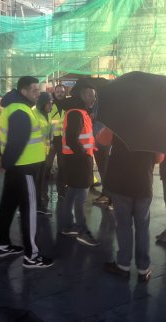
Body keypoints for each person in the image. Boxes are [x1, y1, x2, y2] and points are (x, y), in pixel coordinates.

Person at [0, 76, 53, 269]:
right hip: (24, 169)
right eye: (34, 90)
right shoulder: (21, 111)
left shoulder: (14, 108)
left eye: (39, 90)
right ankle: (31, 256)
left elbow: (2, 136)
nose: (39, 94)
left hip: (16, 168)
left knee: (7, 205)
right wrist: (5, 163)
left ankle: (3, 245)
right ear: (23, 92)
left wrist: (3, 159)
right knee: (29, 210)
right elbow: (16, 143)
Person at [99, 128, 164, 282]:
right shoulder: (155, 126)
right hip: (143, 184)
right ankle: (143, 269)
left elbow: (102, 140)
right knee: (142, 227)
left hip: (121, 184)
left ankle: (123, 265)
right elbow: (159, 158)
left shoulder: (118, 122)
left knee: (123, 225)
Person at [59, 85, 100, 247]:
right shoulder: (77, 113)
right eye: (89, 95)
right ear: (81, 97)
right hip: (79, 160)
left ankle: (67, 226)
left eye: (94, 95)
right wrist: (83, 155)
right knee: (82, 196)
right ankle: (82, 230)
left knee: (72, 192)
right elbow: (71, 139)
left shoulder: (80, 112)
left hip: (74, 159)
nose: (93, 98)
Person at [34, 92, 53, 216]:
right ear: (42, 104)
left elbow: (48, 131)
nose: (51, 106)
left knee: (41, 180)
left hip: (43, 153)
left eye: (51, 103)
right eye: (48, 103)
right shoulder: (34, 114)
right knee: (35, 182)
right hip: (33, 154)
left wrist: (51, 141)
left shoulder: (47, 114)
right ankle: (35, 206)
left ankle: (38, 205)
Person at [48, 84, 67, 197]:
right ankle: (42, 190)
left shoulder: (68, 105)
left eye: (62, 92)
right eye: (58, 92)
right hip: (52, 140)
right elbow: (47, 125)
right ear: (54, 93)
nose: (60, 94)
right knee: (47, 164)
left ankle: (61, 190)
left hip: (63, 140)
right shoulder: (50, 106)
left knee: (62, 165)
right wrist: (49, 141)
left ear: (65, 93)